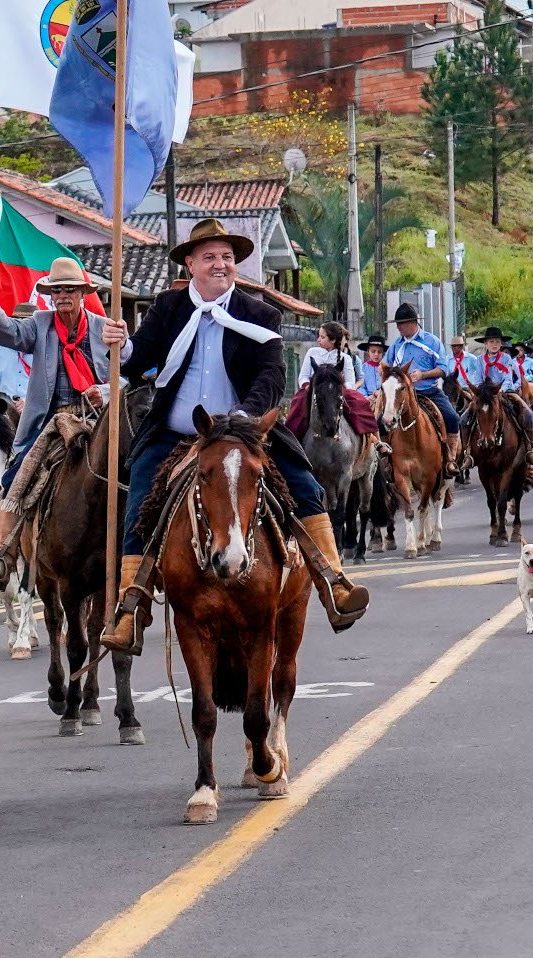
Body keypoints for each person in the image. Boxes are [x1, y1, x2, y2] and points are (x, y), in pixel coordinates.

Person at [102, 220, 369, 654]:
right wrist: (121, 343)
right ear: (190, 265)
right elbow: (137, 360)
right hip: (177, 433)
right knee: (138, 500)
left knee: (304, 484)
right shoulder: (168, 307)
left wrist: (243, 417)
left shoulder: (260, 314)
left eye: (226, 257)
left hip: (243, 432)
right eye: (209, 257)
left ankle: (333, 583)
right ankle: (132, 609)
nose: (220, 264)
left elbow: (271, 374)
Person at [0, 257, 128, 587]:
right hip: (51, 424)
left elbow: (126, 373)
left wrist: (104, 391)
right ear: (50, 296)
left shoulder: (103, 327)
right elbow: (7, 331)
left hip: (98, 420)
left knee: (134, 470)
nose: (63, 295)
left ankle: (142, 553)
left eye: (70, 289)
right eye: (57, 290)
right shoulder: (40, 324)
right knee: (16, 475)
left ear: (82, 293)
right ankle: (3, 554)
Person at [384, 303, 462, 460]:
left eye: (401, 323)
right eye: (397, 323)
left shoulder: (432, 342)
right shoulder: (396, 345)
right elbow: (385, 366)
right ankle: (384, 458)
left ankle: (451, 458)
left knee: (452, 417)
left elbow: (443, 369)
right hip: (402, 394)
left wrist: (422, 375)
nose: (398, 327)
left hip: (428, 392)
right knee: (381, 420)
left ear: (413, 322)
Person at [287, 320, 380, 443]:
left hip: (338, 392)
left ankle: (374, 439)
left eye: (322, 337)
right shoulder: (312, 352)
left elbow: (351, 382)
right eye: (319, 336)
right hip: (314, 391)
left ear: (333, 340)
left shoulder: (346, 358)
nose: (318, 340)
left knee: (361, 404)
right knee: (297, 403)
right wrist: (308, 386)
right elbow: (303, 376)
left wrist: (338, 389)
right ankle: (289, 440)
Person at [465, 325, 533, 459]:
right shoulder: (479, 360)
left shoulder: (506, 359)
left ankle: (530, 448)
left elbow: (507, 379)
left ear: (501, 343)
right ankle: (466, 452)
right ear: (486, 343)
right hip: (484, 395)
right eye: (491, 342)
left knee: (529, 415)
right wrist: (481, 392)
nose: (494, 344)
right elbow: (478, 380)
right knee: (463, 419)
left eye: (497, 342)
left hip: (505, 392)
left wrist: (500, 391)